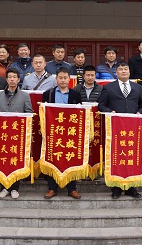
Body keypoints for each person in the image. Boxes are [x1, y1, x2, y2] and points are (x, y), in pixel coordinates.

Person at [97, 61, 142, 199]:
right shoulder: (108, 87)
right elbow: (101, 105)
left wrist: (140, 113)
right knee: (116, 157)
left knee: (132, 157)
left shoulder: (138, 87)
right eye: (121, 69)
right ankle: (116, 188)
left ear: (129, 72)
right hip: (116, 129)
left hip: (133, 129)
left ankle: (131, 188)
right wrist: (110, 112)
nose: (124, 71)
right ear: (116, 72)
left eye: (126, 69)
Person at [0, 68, 34, 199]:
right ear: (6, 79)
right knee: (3, 159)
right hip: (2, 133)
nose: (12, 79)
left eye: (14, 77)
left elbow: (29, 113)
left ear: (18, 79)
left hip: (17, 133)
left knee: (16, 160)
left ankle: (15, 188)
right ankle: (4, 187)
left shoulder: (25, 96)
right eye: (9, 77)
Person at [41, 67, 81, 199]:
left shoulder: (75, 94)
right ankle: (52, 188)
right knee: (52, 157)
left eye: (65, 78)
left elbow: (80, 114)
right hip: (53, 132)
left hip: (70, 133)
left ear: (69, 79)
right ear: (56, 79)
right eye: (60, 78)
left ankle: (72, 188)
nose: (63, 80)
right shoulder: (48, 94)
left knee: (70, 158)